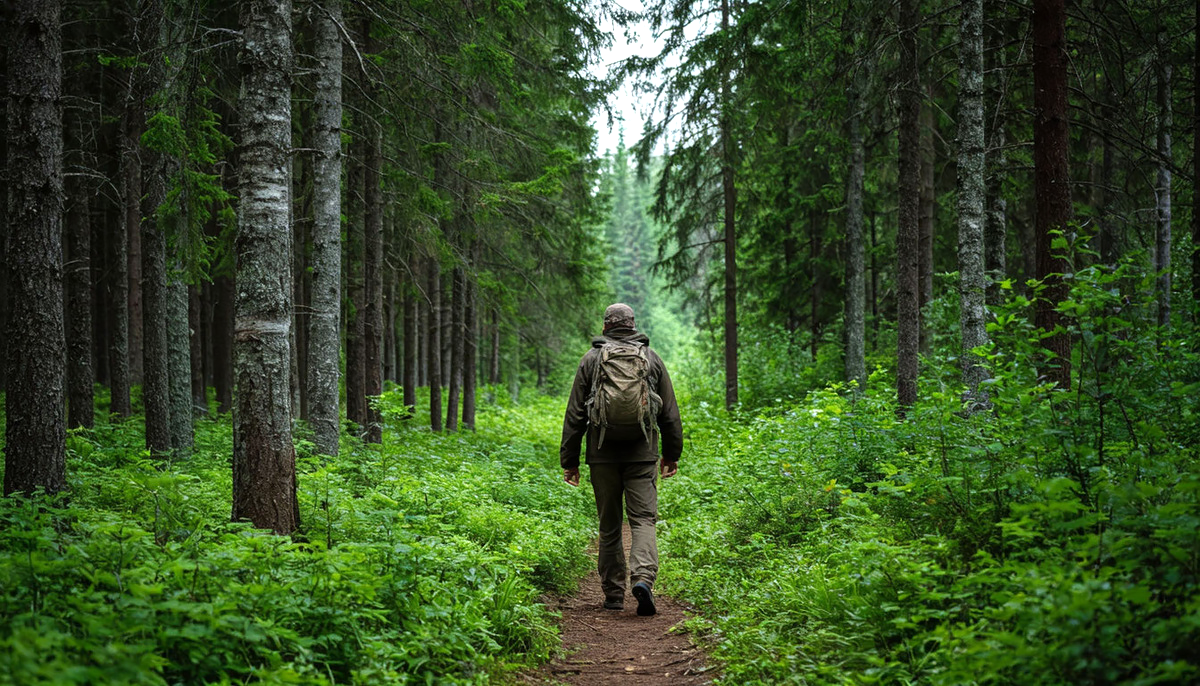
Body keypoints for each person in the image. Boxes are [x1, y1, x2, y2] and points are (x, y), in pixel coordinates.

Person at [560, 303, 683, 616]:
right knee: (643, 520)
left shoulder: (591, 359)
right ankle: (642, 579)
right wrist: (671, 453)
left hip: (602, 456)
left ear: (606, 327)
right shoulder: (650, 358)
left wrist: (569, 460)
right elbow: (669, 411)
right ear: (632, 325)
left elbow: (575, 414)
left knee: (610, 525)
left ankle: (614, 594)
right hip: (642, 454)